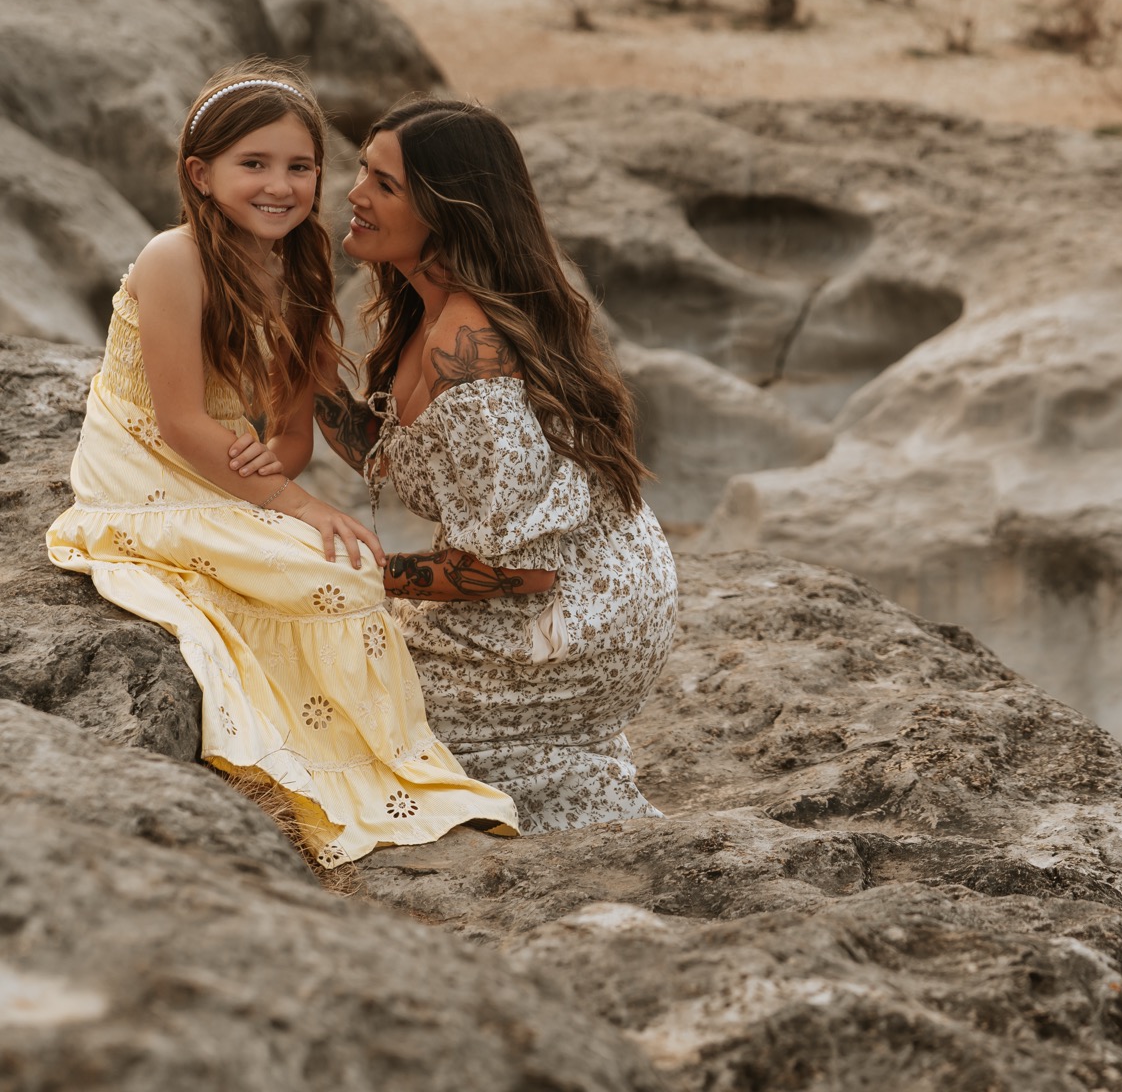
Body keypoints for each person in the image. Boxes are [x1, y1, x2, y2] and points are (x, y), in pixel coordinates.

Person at [45, 62, 519, 867]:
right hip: (144, 466)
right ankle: (302, 774)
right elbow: (180, 420)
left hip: (221, 464)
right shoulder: (174, 259)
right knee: (315, 569)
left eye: (300, 166)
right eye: (253, 164)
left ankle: (377, 766)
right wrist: (292, 502)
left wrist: (274, 466)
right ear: (202, 174)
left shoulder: (300, 270)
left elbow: (292, 432)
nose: (280, 185)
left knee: (348, 573)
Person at [316, 96, 677, 834]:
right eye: (362, 171)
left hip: (573, 614)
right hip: (565, 586)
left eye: (384, 184)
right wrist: (310, 372)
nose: (354, 195)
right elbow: (402, 456)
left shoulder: (470, 348)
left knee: (338, 703)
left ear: (449, 210)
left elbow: (519, 568)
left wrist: (364, 574)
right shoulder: (431, 306)